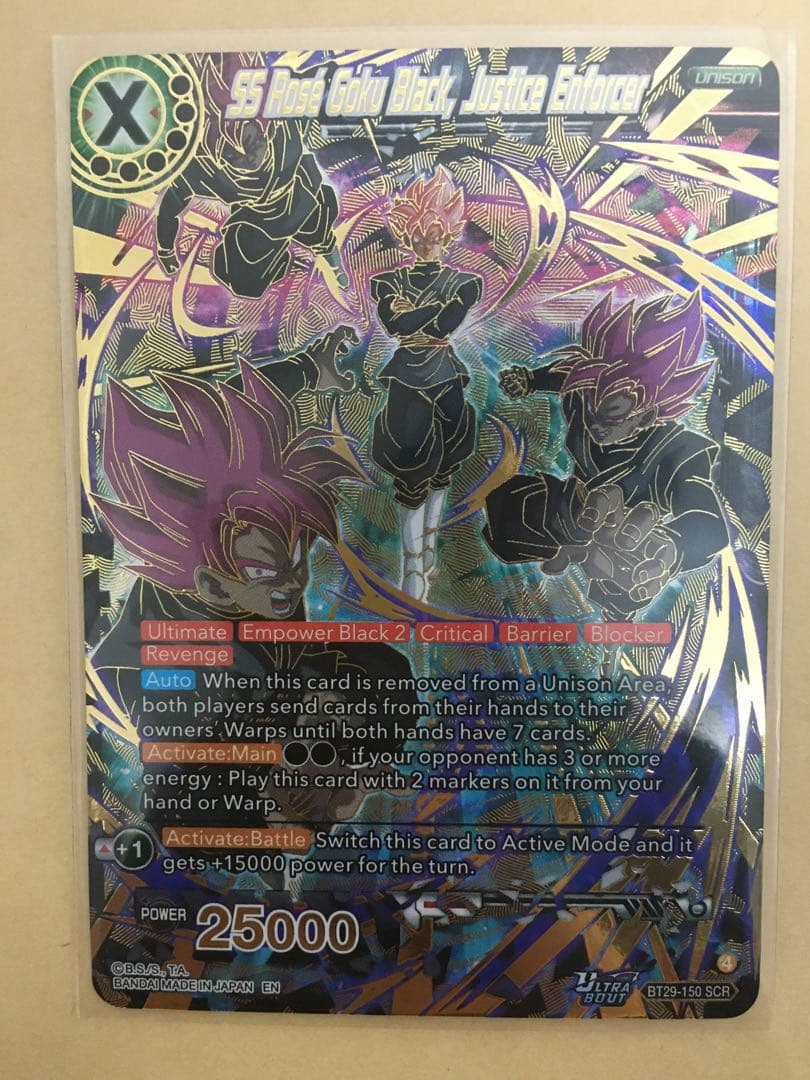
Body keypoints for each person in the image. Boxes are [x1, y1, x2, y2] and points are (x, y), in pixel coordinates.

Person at [484, 290, 729, 616]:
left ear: (646, 416)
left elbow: (710, 523)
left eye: (611, 414)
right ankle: (577, 547)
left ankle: (613, 601)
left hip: (623, 545)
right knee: (509, 508)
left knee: (621, 580)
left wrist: (674, 546)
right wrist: (531, 379)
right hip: (575, 513)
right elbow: (569, 374)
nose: (594, 423)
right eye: (589, 405)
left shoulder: (675, 452)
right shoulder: (587, 395)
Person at [369, 167, 482, 600]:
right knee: (410, 468)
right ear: (404, 234)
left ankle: (429, 542)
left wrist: (419, 314)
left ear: (448, 233)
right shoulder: (388, 283)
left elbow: (444, 323)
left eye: (433, 233)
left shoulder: (465, 283)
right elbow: (396, 325)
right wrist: (431, 312)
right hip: (407, 377)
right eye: (416, 234)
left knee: (446, 463)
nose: (425, 242)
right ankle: (412, 564)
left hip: (445, 374)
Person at [155, 118, 348, 297]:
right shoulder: (211, 174)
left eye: (254, 145)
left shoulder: (286, 133)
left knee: (320, 233)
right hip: (257, 221)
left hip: (298, 199)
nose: (250, 158)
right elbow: (171, 204)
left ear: (265, 133)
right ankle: (279, 262)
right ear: (220, 158)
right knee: (244, 283)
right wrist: (165, 250)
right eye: (234, 155)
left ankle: (334, 262)